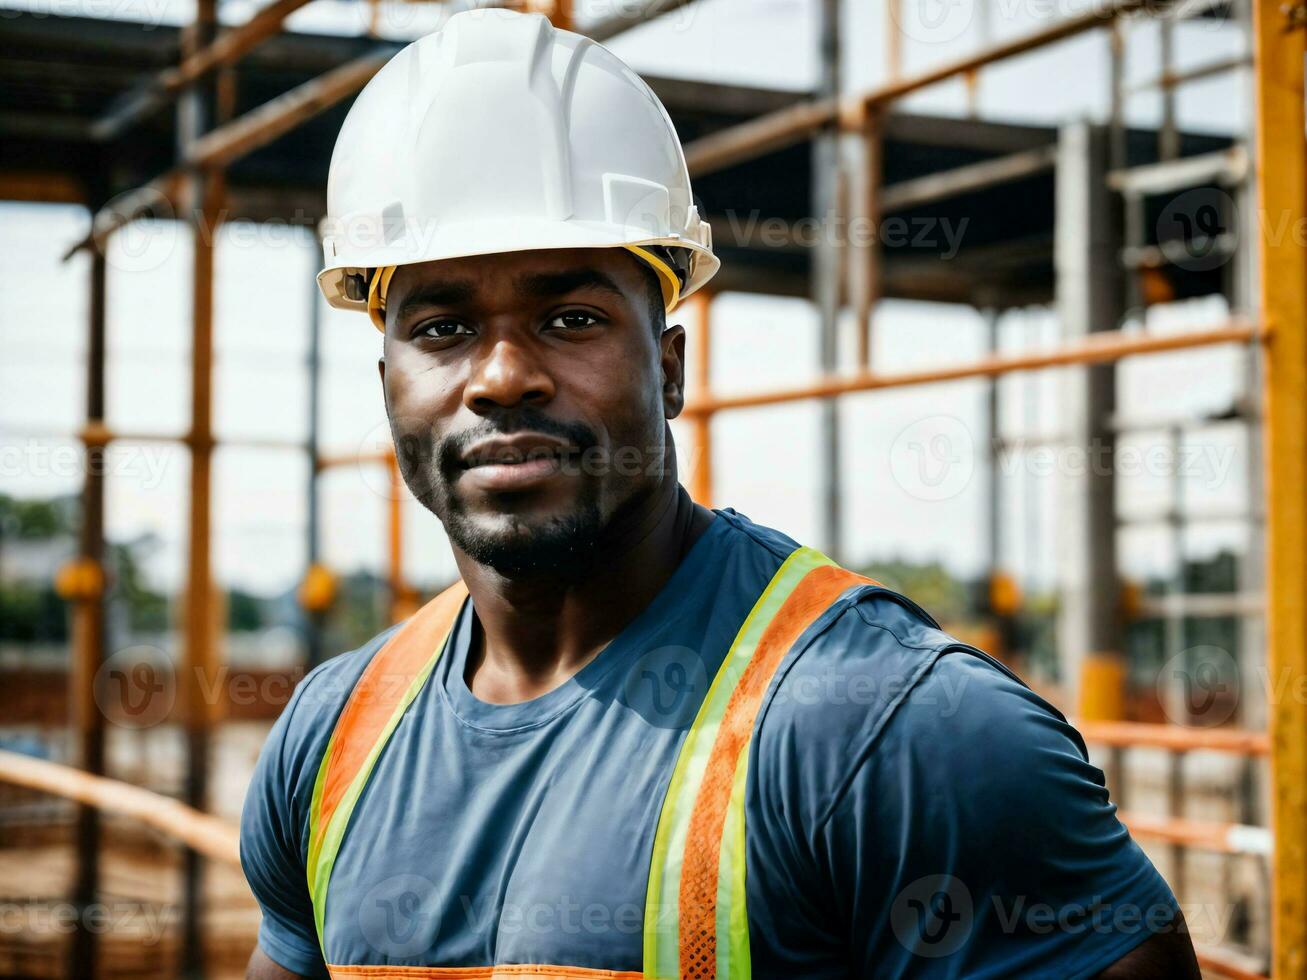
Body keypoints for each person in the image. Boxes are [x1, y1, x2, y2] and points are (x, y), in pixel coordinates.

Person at [241, 9, 1201, 979]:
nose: (499, 375)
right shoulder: (331, 744)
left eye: (569, 315)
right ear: (387, 388)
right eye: (442, 328)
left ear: (668, 369)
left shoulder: (890, 733)